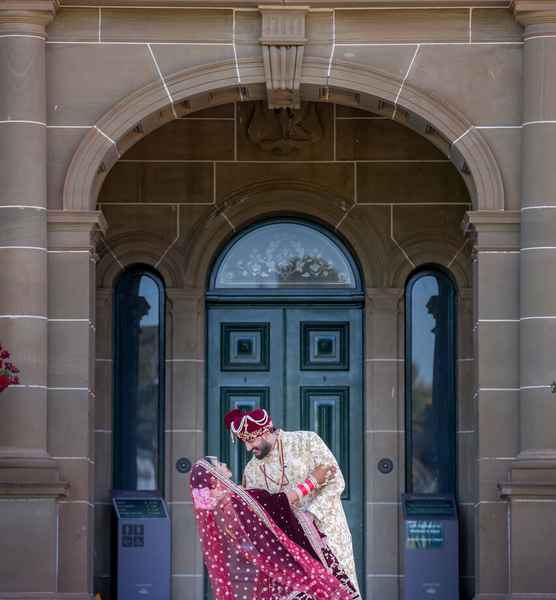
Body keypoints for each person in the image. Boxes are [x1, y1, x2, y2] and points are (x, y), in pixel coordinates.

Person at [224, 407, 360, 597]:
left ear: (264, 431)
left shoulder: (306, 441)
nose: (247, 448)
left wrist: (310, 516)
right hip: (291, 550)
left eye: (250, 440)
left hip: (328, 534)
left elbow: (336, 481)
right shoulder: (251, 470)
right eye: (244, 442)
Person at [190, 457, 358, 599]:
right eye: (219, 464)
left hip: (262, 574)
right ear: (213, 479)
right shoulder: (236, 501)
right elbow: (280, 503)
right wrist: (314, 480)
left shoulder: (218, 511)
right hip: (281, 567)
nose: (224, 464)